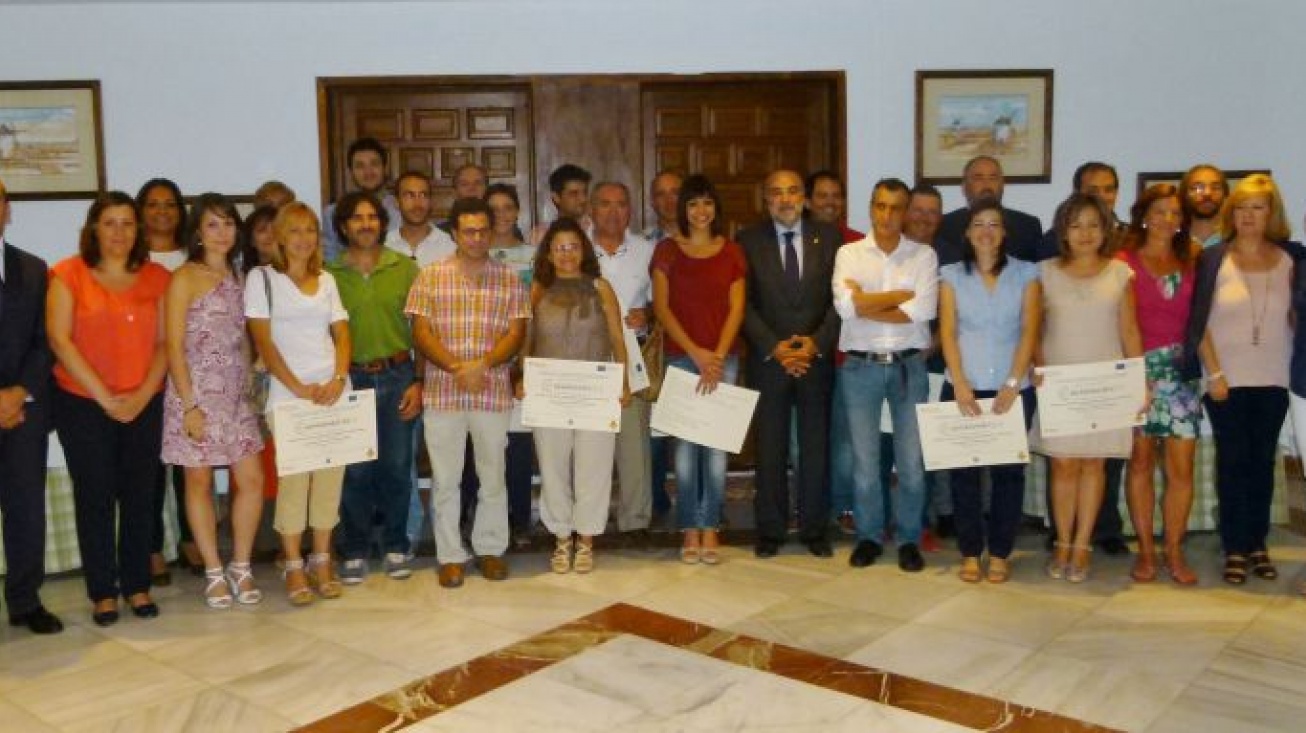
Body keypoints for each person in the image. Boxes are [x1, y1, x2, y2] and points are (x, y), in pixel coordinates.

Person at [48, 191, 170, 626]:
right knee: (94, 496)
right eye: (110, 223)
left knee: (140, 496)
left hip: (144, 402)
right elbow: (60, 340)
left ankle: (137, 586)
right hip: (82, 404)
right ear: (94, 228)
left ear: (138, 231)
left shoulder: (157, 277)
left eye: (127, 223)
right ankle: (103, 592)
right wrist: (104, 396)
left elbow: (165, 344)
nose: (119, 232)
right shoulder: (67, 274)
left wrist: (139, 397)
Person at [1182, 173, 1302, 585]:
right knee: (1232, 463)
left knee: (1262, 463)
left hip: (1274, 377)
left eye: (1259, 207)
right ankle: (1234, 545)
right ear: (1232, 214)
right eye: (1242, 207)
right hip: (1225, 380)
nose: (1249, 215)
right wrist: (1213, 373)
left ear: (1272, 213)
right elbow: (1200, 323)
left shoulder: (1292, 260)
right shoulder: (1214, 258)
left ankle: (1257, 544)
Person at [407, 197, 530, 589]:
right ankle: (450, 555)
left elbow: (516, 333)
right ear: (455, 234)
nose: (477, 238)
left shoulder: (509, 277)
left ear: (491, 232)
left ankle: (491, 549)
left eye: (483, 230)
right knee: (446, 479)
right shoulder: (430, 275)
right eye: (468, 231)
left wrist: (483, 365)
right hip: (445, 391)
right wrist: (458, 367)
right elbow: (421, 333)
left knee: (493, 475)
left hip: (492, 391)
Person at [1030, 193, 1143, 583]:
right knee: (1062, 463)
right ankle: (1062, 540)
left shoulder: (1120, 273)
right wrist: (1039, 368)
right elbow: (1033, 331)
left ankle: (1082, 545)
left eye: (1094, 224)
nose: (1085, 233)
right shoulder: (1043, 272)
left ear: (1106, 230)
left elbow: (1129, 330)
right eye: (1076, 224)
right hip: (1060, 384)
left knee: (1094, 463)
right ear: (1063, 230)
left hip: (1105, 385)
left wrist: (1138, 381)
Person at [161, 193, 266, 608]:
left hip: (237, 397)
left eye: (228, 223)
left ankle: (241, 565)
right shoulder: (184, 277)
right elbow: (172, 347)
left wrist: (253, 380)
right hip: (196, 396)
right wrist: (189, 405)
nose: (223, 232)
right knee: (199, 481)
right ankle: (212, 569)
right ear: (198, 233)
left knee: (252, 480)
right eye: (213, 225)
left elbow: (243, 339)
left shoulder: (243, 276)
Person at [245, 202, 352, 606]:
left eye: (310, 230)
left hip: (333, 392)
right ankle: (292, 563)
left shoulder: (327, 280)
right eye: (295, 231)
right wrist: (298, 386)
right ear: (279, 236)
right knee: (294, 481)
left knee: (329, 480)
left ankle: (322, 559)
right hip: (288, 394)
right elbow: (264, 343)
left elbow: (342, 333)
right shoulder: (262, 279)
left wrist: (338, 379)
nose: (304, 238)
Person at [833, 178, 937, 573]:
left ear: (907, 212)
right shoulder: (850, 253)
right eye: (881, 206)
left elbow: (922, 310)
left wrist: (867, 302)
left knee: (911, 461)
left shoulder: (923, 256)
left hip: (909, 365)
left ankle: (909, 538)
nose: (888, 215)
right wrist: (898, 297)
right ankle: (869, 536)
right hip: (860, 366)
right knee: (865, 461)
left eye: (896, 207)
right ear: (871, 207)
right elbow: (845, 308)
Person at [938, 199, 1040, 583]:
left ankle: (1000, 551)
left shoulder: (1027, 274)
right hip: (963, 387)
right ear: (967, 232)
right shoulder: (950, 276)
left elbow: (1030, 331)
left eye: (994, 224)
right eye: (978, 223)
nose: (986, 231)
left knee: (1008, 474)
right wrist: (960, 383)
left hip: (1012, 390)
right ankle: (969, 551)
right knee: (964, 475)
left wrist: (1014, 383)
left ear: (1004, 232)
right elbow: (947, 332)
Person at [738, 169, 840, 559]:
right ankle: (771, 529)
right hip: (769, 361)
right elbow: (742, 303)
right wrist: (774, 347)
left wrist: (813, 345)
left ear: (805, 198)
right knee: (771, 449)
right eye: (776, 193)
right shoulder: (748, 240)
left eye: (793, 191)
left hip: (815, 360)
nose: (785, 199)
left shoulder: (829, 238)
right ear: (766, 199)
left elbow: (840, 301)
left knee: (816, 448)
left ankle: (815, 528)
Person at [519, 219, 627, 573]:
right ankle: (561, 538)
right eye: (559, 247)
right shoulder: (538, 288)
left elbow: (616, 337)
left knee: (593, 467)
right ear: (548, 253)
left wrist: (623, 382)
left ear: (584, 250)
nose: (567, 254)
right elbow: (527, 338)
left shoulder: (601, 287)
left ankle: (587, 539)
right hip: (549, 393)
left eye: (573, 246)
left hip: (594, 393)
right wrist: (522, 375)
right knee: (552, 467)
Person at [326, 192, 422, 583]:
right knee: (356, 471)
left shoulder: (405, 268)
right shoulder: (328, 274)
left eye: (372, 217)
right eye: (357, 218)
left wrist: (420, 381)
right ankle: (354, 549)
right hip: (351, 378)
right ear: (344, 226)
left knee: (397, 468)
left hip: (399, 374)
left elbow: (422, 330)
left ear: (382, 223)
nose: (365, 224)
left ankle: (397, 545)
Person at [651, 174, 746, 565]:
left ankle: (712, 529)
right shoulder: (667, 251)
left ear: (716, 208)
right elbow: (662, 309)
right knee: (687, 452)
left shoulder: (733, 252)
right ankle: (690, 526)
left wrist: (717, 356)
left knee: (718, 451)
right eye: (692, 204)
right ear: (682, 209)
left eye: (707, 203)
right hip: (681, 358)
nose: (700, 211)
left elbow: (737, 307)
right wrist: (696, 353)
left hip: (724, 360)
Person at [1117, 184, 1202, 585]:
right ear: (1145, 215)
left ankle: (1174, 550)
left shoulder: (1194, 258)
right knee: (1140, 464)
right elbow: (1124, 324)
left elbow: (1202, 321)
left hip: (1181, 374)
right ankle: (1147, 553)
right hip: (1140, 373)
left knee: (1182, 469)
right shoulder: (1124, 260)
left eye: (1175, 213)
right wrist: (1137, 376)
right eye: (1161, 211)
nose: (1169, 219)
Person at [0, 177, 63, 634]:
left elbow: (46, 343)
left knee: (25, 506)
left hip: (25, 408)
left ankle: (25, 600)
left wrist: (18, 392)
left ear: (7, 210)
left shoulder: (34, 269)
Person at [136, 178, 197, 583]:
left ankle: (191, 538)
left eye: (170, 205)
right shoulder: (134, 260)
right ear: (142, 212)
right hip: (149, 374)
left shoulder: (194, 256)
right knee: (150, 468)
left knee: (190, 466)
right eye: (154, 205)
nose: (162, 212)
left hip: (194, 377)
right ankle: (153, 546)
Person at [589, 182, 656, 543]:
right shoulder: (575, 247)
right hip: (586, 357)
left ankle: (635, 520)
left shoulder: (646, 251)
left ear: (630, 210)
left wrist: (647, 314)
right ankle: (589, 520)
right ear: (590, 209)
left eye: (621, 204)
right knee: (590, 445)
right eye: (604, 204)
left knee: (633, 444)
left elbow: (661, 302)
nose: (613, 212)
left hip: (631, 358)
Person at [938, 156, 1043, 262]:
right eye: (978, 178)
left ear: (1002, 185)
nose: (986, 185)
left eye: (993, 178)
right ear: (964, 187)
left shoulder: (1028, 226)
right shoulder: (944, 226)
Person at [322, 137, 401, 262]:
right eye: (360, 166)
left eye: (374, 164)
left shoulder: (400, 209)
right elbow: (330, 260)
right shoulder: (332, 213)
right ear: (351, 172)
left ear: (385, 168)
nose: (368, 172)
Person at [387, 171, 456, 267]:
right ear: (396, 202)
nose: (417, 203)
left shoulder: (449, 247)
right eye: (409, 195)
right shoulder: (385, 245)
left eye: (423, 195)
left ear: (431, 201)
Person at [531, 164, 592, 245]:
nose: (583, 199)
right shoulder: (541, 235)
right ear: (556, 198)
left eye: (585, 192)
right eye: (574, 194)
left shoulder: (597, 230)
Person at [805, 170, 864, 244]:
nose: (830, 202)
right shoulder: (796, 240)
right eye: (823, 196)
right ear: (807, 202)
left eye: (836, 196)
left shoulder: (858, 241)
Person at [1181, 164, 1228, 248]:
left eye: (1215, 187)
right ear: (1184, 194)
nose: (1207, 193)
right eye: (1198, 188)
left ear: (1225, 194)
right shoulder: (1172, 241)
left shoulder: (1236, 240)